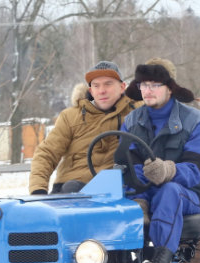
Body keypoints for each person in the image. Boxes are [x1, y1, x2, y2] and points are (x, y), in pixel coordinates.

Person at [120, 58, 200, 263]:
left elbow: (195, 171)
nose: (147, 90)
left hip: (191, 194)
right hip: (147, 193)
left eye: (154, 85)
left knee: (169, 190)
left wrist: (168, 170)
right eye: (143, 85)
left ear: (169, 88)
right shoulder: (131, 122)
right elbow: (129, 165)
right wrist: (137, 196)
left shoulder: (195, 122)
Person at [28, 61, 138, 194]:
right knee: (72, 190)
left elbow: (163, 101)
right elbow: (47, 153)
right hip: (71, 186)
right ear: (90, 90)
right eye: (96, 86)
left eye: (108, 84)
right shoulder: (71, 116)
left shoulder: (137, 113)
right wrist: (37, 189)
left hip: (116, 187)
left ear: (122, 87)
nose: (102, 91)